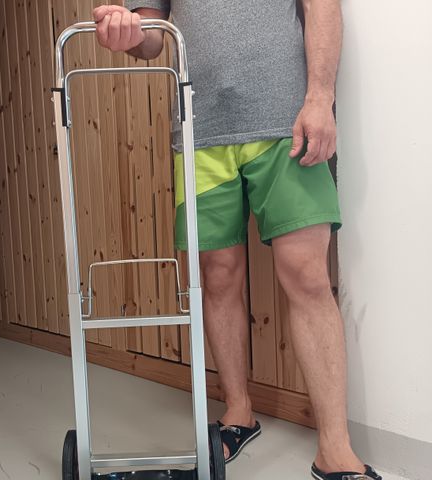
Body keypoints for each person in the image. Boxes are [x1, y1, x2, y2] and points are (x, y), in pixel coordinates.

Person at [93, 2, 382, 479]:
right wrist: (129, 33)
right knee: (217, 276)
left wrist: (320, 98)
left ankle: (335, 448)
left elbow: (321, 6)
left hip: (287, 123)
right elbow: (152, 35)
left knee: (307, 277)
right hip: (198, 132)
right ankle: (238, 413)